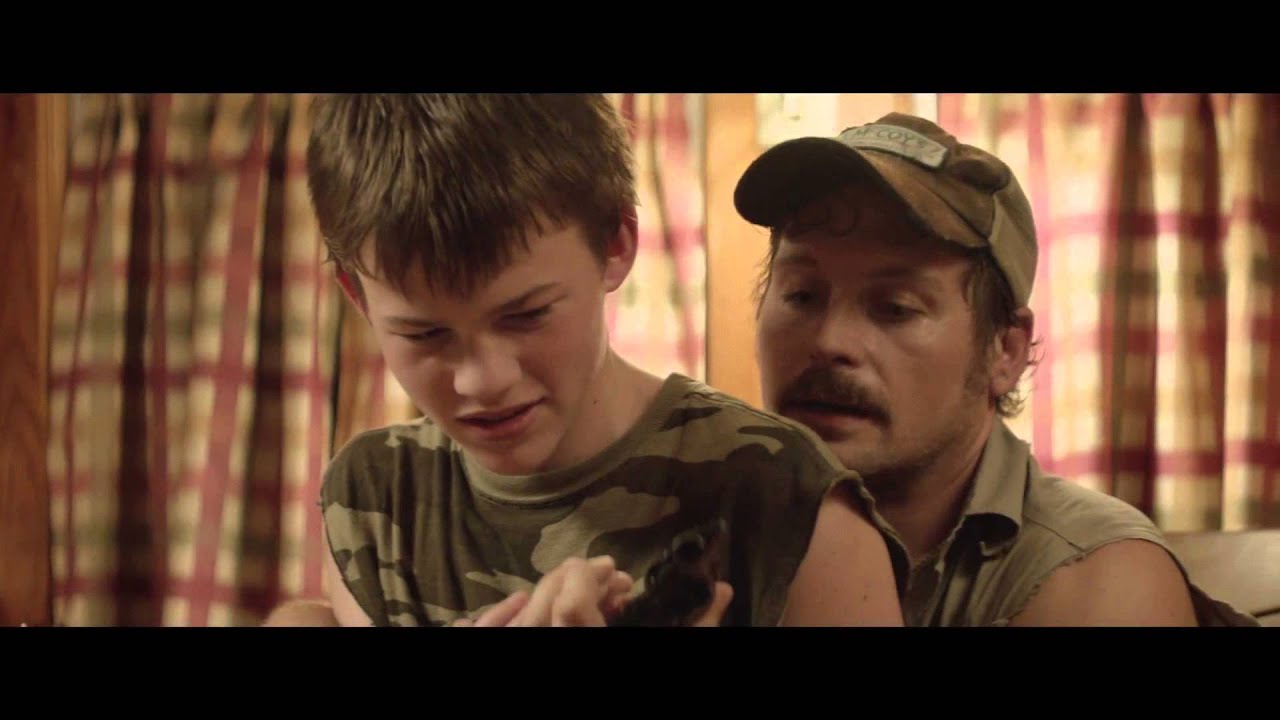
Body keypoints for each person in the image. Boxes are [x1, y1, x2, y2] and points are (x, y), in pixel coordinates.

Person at [263, 94, 903, 627]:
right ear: (356, 295)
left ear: (616, 245)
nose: (484, 381)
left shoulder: (789, 502)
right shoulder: (374, 499)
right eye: (425, 335)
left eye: (527, 315)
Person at [734, 112, 1258, 626]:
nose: (829, 342)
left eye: (895, 307)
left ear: (1004, 352)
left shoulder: (1094, 577)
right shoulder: (714, 518)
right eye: (801, 295)